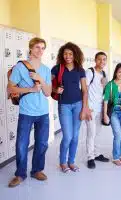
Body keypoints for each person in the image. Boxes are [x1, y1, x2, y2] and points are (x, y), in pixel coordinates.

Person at [8, 37, 52, 187]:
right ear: (31, 49)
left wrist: (40, 79)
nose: (40, 51)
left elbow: (48, 93)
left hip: (43, 113)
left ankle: (37, 170)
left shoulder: (46, 69)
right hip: (26, 112)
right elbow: (11, 88)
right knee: (21, 144)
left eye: (43, 48)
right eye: (37, 47)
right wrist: (31, 89)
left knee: (42, 143)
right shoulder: (20, 67)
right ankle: (20, 174)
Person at [51, 42, 91, 173]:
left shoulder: (80, 70)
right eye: (65, 53)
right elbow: (48, 86)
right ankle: (63, 162)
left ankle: (71, 161)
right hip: (64, 106)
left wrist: (85, 108)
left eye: (70, 54)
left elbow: (85, 90)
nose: (67, 56)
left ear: (75, 55)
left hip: (78, 104)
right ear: (62, 55)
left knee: (75, 136)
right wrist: (55, 90)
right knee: (67, 136)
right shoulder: (57, 69)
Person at [85, 52, 110, 169]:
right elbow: (84, 90)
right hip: (91, 108)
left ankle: (96, 153)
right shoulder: (90, 72)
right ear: (95, 60)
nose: (102, 62)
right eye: (99, 59)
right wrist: (86, 108)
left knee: (98, 133)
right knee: (91, 133)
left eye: (104, 60)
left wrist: (105, 85)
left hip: (100, 108)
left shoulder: (104, 73)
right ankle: (90, 157)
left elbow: (105, 92)